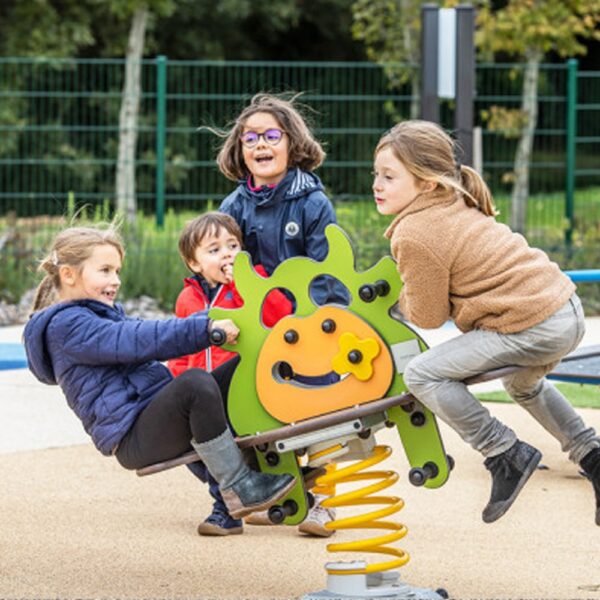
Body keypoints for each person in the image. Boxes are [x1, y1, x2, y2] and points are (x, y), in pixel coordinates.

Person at [372, 119, 600, 526]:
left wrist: (399, 297)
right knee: (523, 384)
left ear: (427, 183)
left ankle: (504, 452)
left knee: (422, 374)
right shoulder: (452, 204)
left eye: (389, 176)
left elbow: (427, 316)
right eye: (377, 175)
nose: (378, 184)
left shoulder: (414, 233)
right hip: (566, 309)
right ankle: (593, 455)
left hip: (533, 322)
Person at [23, 225, 295, 533]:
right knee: (195, 384)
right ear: (69, 275)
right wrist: (207, 330)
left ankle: (278, 456)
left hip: (152, 416)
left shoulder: (99, 315)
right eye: (105, 271)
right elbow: (140, 338)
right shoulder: (67, 326)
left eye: (117, 271)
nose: (116, 280)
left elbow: (151, 329)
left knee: (240, 370)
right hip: (133, 437)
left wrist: (218, 319)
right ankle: (239, 486)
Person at [214, 92, 341, 535]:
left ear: (292, 144)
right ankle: (280, 490)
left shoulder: (310, 202)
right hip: (255, 326)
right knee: (254, 408)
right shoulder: (234, 207)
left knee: (319, 409)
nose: (261, 145)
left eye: (272, 136)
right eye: (251, 138)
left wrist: (326, 323)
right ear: (239, 150)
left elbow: (327, 268)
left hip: (305, 324)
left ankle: (323, 502)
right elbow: (218, 267)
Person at [168, 212, 292, 536]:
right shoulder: (188, 298)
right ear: (194, 264)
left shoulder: (254, 282)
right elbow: (180, 350)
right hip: (203, 396)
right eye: (214, 249)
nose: (226, 253)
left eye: (232, 245)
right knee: (191, 450)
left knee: (236, 445)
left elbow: (280, 314)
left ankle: (227, 510)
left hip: (243, 385)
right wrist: (177, 382)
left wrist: (244, 283)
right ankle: (240, 492)